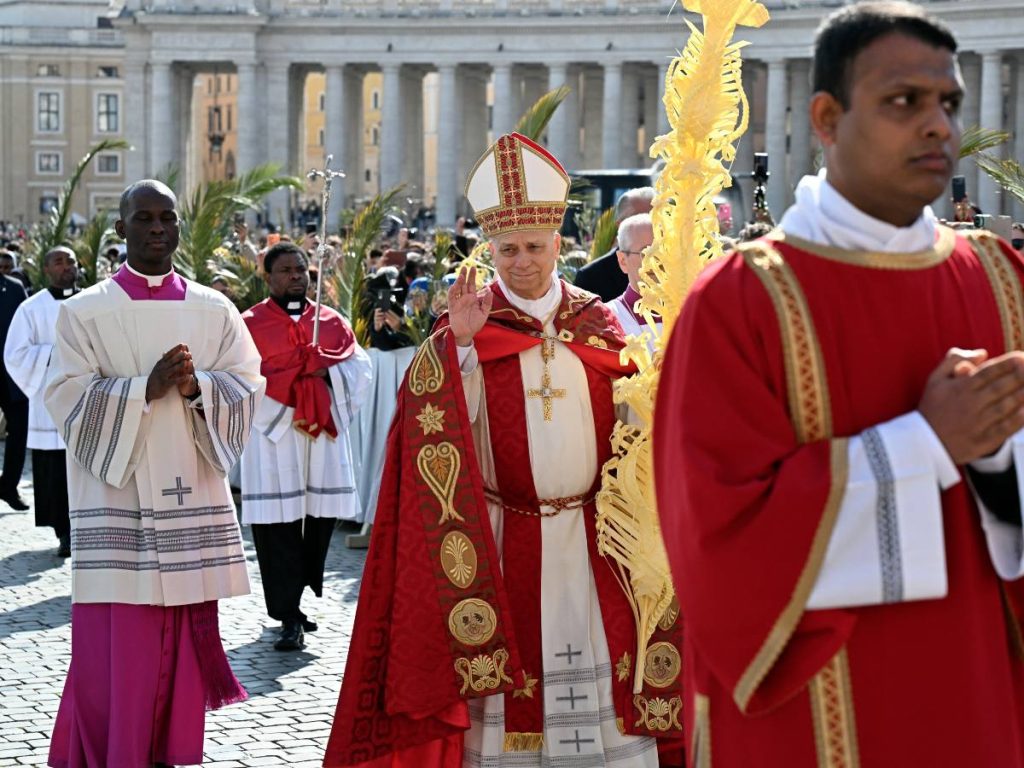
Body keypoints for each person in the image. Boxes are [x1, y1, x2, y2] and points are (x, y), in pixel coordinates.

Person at [654, 3, 1024, 766]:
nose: (938, 127)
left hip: (977, 685)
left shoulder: (999, 279)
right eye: (903, 102)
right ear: (825, 117)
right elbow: (717, 536)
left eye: (948, 104)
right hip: (814, 710)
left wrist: (996, 461)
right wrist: (926, 445)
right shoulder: (740, 301)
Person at [325, 132, 683, 768]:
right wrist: (457, 349)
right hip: (497, 533)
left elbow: (640, 422)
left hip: (595, 539)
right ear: (489, 249)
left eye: (536, 247)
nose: (523, 261)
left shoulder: (597, 323)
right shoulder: (468, 325)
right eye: (508, 249)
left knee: (605, 687)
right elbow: (424, 430)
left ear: (560, 245)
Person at [44, 179, 265, 768]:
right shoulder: (84, 311)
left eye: (166, 217)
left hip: (190, 495)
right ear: (121, 229)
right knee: (118, 653)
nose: (157, 228)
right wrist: (145, 388)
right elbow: (65, 396)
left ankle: (175, 755)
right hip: (118, 504)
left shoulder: (213, 309)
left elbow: (249, 382)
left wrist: (198, 388)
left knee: (179, 657)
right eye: (143, 218)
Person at [240, 242, 372, 651]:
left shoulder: (330, 322)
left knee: (317, 522)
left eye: (301, 269)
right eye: (286, 270)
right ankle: (287, 614)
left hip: (321, 435)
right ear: (268, 276)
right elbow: (240, 379)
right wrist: (282, 407)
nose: (296, 276)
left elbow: (359, 369)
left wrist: (322, 374)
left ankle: (300, 592)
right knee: (277, 527)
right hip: (273, 437)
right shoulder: (249, 324)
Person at [4, 246, 79, 556]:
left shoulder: (95, 303)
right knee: (56, 473)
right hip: (50, 406)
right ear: (47, 269)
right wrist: (54, 355)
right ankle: (64, 531)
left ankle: (89, 530)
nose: (66, 267)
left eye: (70, 261)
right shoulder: (31, 309)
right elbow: (16, 355)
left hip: (89, 401)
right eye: (58, 262)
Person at [574, 187, 654, 301]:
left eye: (653, 217)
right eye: (638, 219)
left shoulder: (680, 268)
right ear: (619, 226)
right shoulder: (591, 277)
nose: (647, 225)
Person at [0, 248, 29, 511]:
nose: (4, 270)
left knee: (18, 432)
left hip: (12, 377)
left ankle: (9, 486)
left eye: (7, 266)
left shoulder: (16, 288)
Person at [607, 212, 661, 346]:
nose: (656, 261)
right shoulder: (607, 320)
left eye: (661, 251)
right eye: (645, 253)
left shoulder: (689, 312)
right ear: (623, 261)